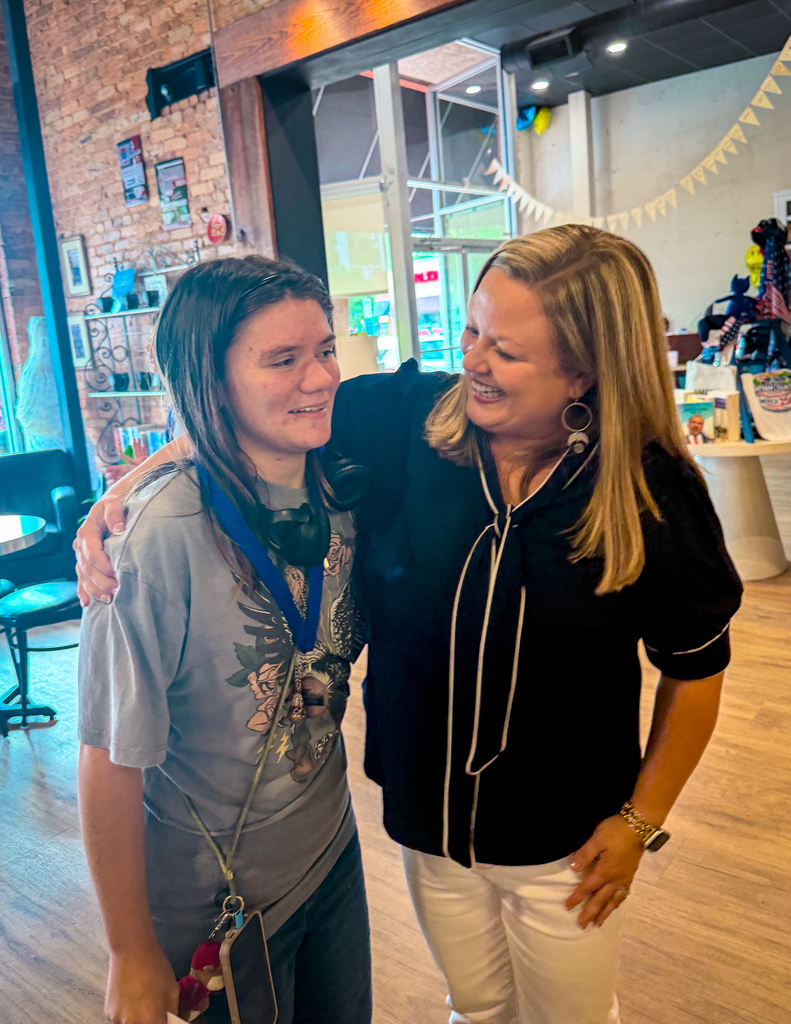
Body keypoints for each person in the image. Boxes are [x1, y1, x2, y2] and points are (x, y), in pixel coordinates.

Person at [77, 226, 742, 1024]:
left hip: (561, 839)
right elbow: (236, 412)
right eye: (469, 332)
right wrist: (118, 492)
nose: (473, 361)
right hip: (426, 825)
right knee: (476, 1005)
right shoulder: (404, 420)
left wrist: (640, 822)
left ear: (587, 366)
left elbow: (695, 668)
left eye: (506, 350)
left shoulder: (651, 490)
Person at [77, 256, 371, 1024]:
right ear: (211, 384)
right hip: (218, 899)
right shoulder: (154, 540)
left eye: (325, 349)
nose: (320, 377)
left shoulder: (341, 481)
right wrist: (128, 949)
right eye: (283, 360)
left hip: (329, 851)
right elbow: (108, 759)